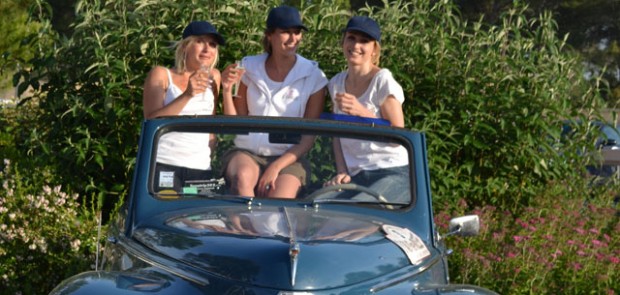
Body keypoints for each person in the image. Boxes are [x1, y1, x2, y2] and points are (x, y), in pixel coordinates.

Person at [220, 5, 327, 199]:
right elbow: (236, 123)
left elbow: (308, 139)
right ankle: (244, 229)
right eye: (285, 32)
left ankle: (264, 229)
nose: (293, 38)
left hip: (290, 159)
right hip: (246, 153)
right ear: (269, 35)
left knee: (280, 198)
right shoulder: (248, 67)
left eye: (297, 32)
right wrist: (226, 90)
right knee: (242, 178)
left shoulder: (314, 76)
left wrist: (275, 167)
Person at [324, 16, 410, 203]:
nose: (356, 46)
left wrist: (363, 113)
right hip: (357, 176)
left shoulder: (382, 81)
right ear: (343, 42)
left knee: (353, 216)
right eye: (352, 38)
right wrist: (342, 171)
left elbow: (400, 137)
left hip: (392, 172)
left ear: (374, 50)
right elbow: (335, 134)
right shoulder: (336, 83)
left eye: (364, 41)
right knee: (318, 207)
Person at [142, 21, 225, 192]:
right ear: (185, 46)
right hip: (165, 164)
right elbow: (151, 120)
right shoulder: (162, 74)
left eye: (212, 44)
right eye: (200, 41)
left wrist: (210, 151)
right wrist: (187, 95)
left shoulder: (214, 77)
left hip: (200, 169)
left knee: (200, 217)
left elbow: (211, 124)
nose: (207, 49)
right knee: (167, 215)